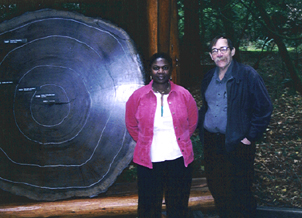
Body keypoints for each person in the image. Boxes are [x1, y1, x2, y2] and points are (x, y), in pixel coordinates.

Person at [199, 35, 273, 218]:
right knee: (218, 189)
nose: (219, 54)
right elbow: (207, 106)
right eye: (215, 50)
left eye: (223, 49)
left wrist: (250, 137)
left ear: (232, 51)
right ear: (210, 56)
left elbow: (264, 108)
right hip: (212, 144)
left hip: (237, 144)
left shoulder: (247, 75)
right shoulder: (208, 77)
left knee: (240, 192)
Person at [125, 52, 198, 218]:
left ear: (170, 70)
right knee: (148, 208)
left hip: (179, 160)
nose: (160, 71)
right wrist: (145, 142)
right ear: (150, 70)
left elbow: (192, 123)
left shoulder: (184, 94)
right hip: (149, 161)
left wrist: (181, 140)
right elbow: (131, 124)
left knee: (178, 207)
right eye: (156, 68)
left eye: (165, 68)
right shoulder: (138, 96)